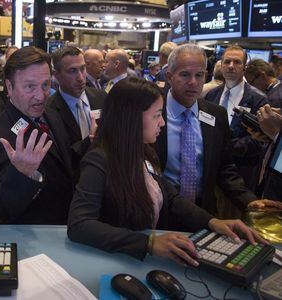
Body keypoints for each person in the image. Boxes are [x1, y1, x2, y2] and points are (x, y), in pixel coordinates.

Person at [67, 77, 265, 264]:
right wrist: (148, 243)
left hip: (137, 260)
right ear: (132, 119)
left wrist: (212, 222)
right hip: (114, 261)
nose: (162, 122)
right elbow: (80, 225)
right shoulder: (98, 161)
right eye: (156, 116)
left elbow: (171, 197)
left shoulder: (144, 151)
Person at [153, 44, 279, 220]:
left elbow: (224, 168)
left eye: (199, 75)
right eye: (184, 75)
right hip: (159, 210)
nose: (193, 82)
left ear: (206, 75)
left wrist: (250, 202)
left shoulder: (215, 114)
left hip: (204, 212)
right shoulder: (151, 113)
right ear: (169, 76)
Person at [0, 46, 77, 224]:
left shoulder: (51, 115)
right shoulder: (0, 137)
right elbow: (3, 210)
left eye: (45, 84)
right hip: (36, 237)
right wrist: (22, 175)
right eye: (29, 87)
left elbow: (62, 162)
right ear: (9, 87)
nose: (40, 96)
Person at [204, 45, 268, 190]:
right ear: (221, 64)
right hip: (211, 172)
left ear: (244, 67)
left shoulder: (258, 100)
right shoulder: (211, 95)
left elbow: (261, 141)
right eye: (227, 62)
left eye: (237, 62)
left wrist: (225, 148)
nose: (231, 66)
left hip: (240, 175)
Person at [47, 46, 105, 147]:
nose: (80, 77)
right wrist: (90, 140)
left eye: (83, 69)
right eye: (72, 71)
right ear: (56, 75)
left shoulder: (101, 97)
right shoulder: (48, 110)